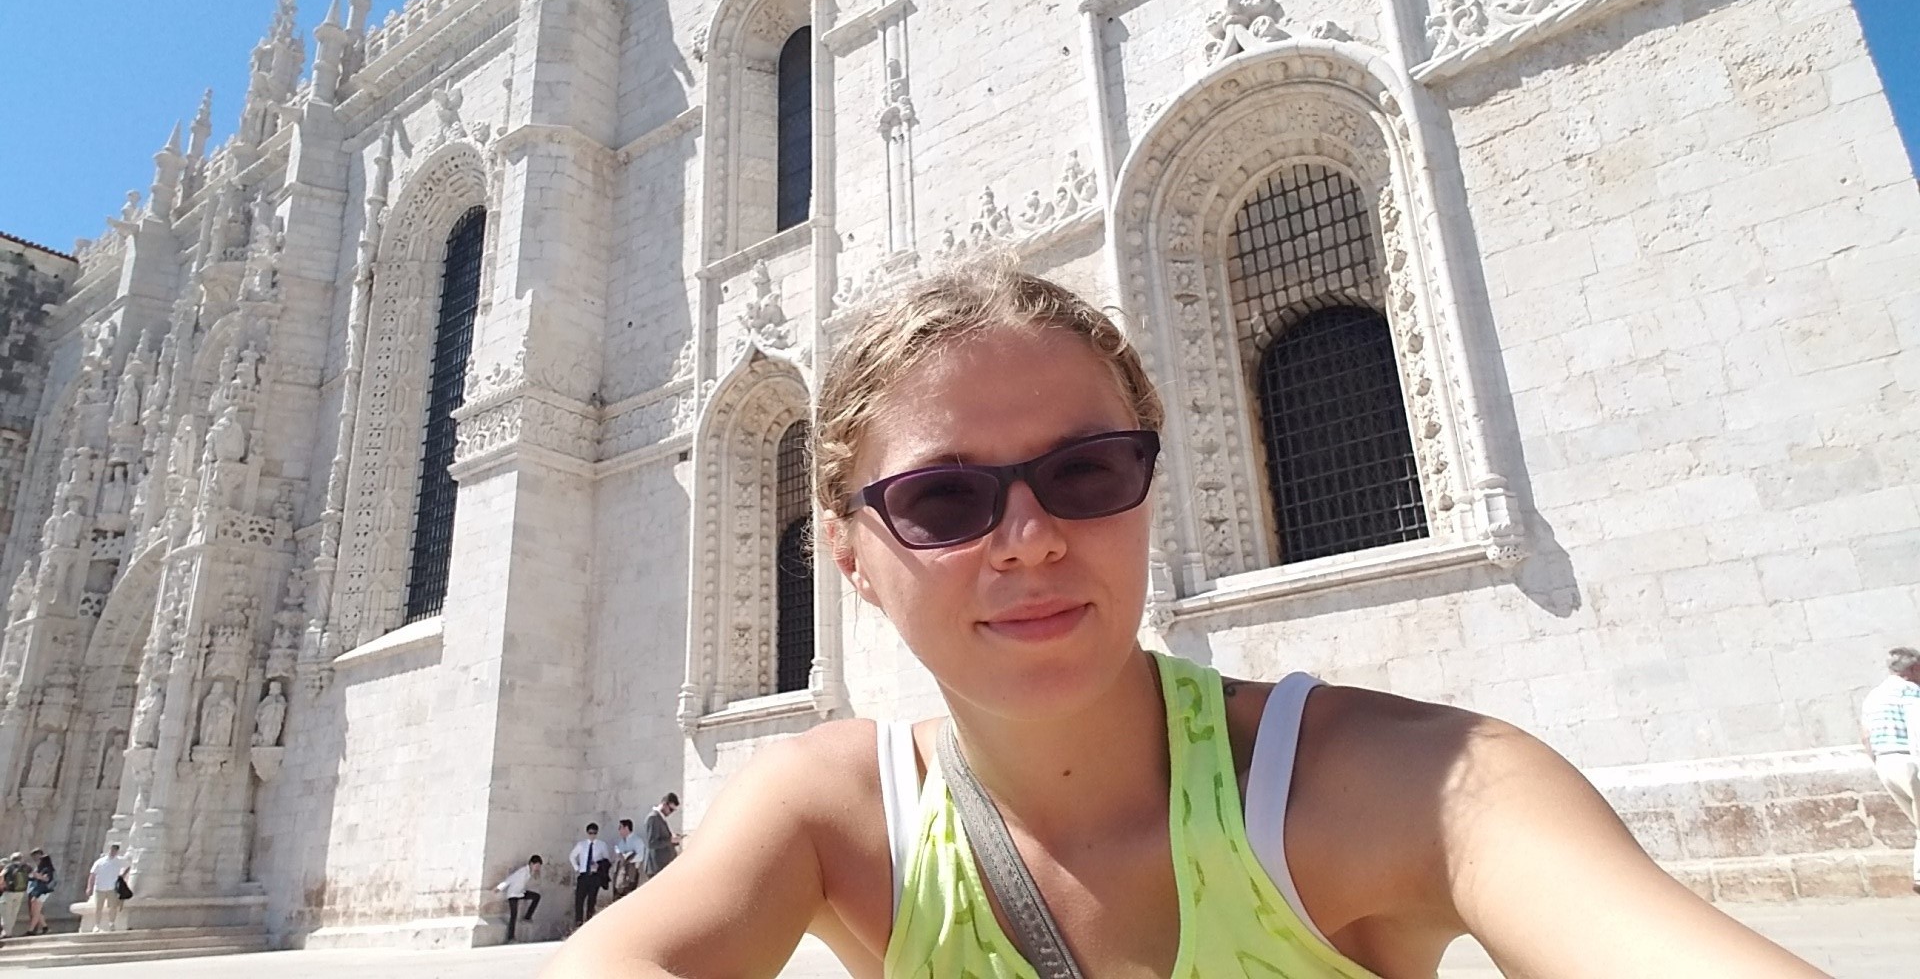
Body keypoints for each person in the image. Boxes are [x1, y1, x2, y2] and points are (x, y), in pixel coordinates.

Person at [544, 263, 1823, 977]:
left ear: (1148, 492)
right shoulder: (828, 816)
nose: (1032, 537)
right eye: (944, 499)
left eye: (1088, 472)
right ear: (851, 559)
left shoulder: (1415, 784)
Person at [1861, 646, 1920, 892]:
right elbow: (1917, 729)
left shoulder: (1873, 696)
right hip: (1909, 761)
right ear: (1914, 668)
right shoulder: (1911, 691)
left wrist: (1879, 762)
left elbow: (1865, 736)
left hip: (1885, 763)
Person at [568, 823, 609, 926]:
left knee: (592, 900)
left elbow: (606, 860)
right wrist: (577, 868)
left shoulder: (601, 845)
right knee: (579, 899)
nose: (592, 835)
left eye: (594, 833)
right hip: (583, 875)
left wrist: (598, 865)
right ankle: (579, 922)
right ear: (587, 833)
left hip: (594, 875)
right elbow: (572, 856)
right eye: (590, 833)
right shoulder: (581, 845)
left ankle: (589, 922)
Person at [84, 844, 130, 933]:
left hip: (112, 887)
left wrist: (123, 875)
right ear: (109, 850)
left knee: (113, 907)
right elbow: (92, 874)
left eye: (115, 850)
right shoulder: (100, 862)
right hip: (100, 887)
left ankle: (111, 923)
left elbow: (128, 865)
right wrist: (89, 887)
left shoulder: (119, 860)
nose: (113, 852)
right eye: (112, 850)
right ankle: (97, 925)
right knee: (98, 907)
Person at [496, 854, 542, 942]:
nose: (537, 868)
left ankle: (527, 917)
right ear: (532, 864)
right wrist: (499, 887)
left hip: (520, 893)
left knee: (536, 897)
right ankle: (510, 937)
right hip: (513, 895)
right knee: (514, 916)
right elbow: (510, 879)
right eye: (537, 866)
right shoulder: (522, 872)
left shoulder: (529, 872)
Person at [641, 794, 679, 880]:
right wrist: (670, 840)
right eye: (671, 809)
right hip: (656, 867)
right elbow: (651, 843)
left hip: (663, 867)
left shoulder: (660, 818)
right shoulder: (653, 818)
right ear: (664, 804)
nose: (670, 812)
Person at [610, 819, 642, 900]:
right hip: (621, 873)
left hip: (631, 873)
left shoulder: (637, 840)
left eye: (620, 827)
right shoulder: (621, 842)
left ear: (626, 828)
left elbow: (640, 855)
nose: (619, 830)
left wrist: (628, 858)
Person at [24, 848, 54, 935]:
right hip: (38, 890)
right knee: (36, 910)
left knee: (36, 911)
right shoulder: (39, 867)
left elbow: (47, 878)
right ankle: (45, 927)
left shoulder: (47, 868)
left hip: (43, 891)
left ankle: (31, 930)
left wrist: (37, 876)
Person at [0, 853, 29, 939]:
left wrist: (1, 884)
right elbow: (33, 874)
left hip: (9, 892)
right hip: (20, 892)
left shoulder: (9, 867)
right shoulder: (24, 867)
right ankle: (9, 931)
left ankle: (6, 933)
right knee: (13, 913)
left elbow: (1, 875)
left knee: (6, 913)